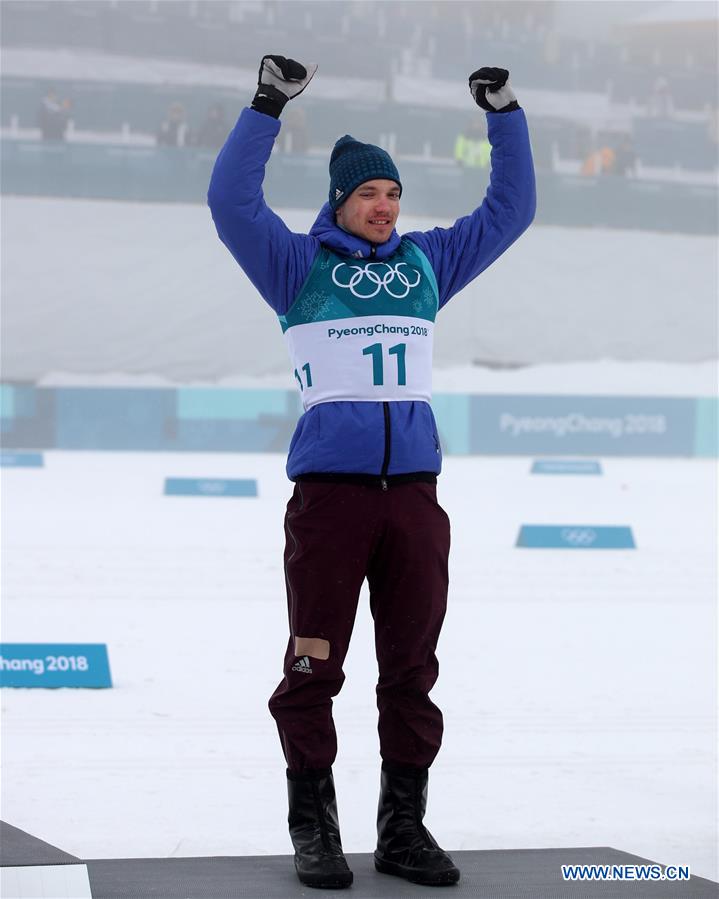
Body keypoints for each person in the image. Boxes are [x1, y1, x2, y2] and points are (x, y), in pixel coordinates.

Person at [208, 55, 535, 890]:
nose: (384, 207)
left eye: (391, 194)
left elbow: (511, 208)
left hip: (415, 503)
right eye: (368, 195)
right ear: (339, 204)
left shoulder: (428, 262)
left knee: (412, 672)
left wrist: (504, 114)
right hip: (330, 504)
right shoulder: (296, 268)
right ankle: (314, 830)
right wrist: (266, 107)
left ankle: (403, 829)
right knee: (313, 665)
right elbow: (230, 203)